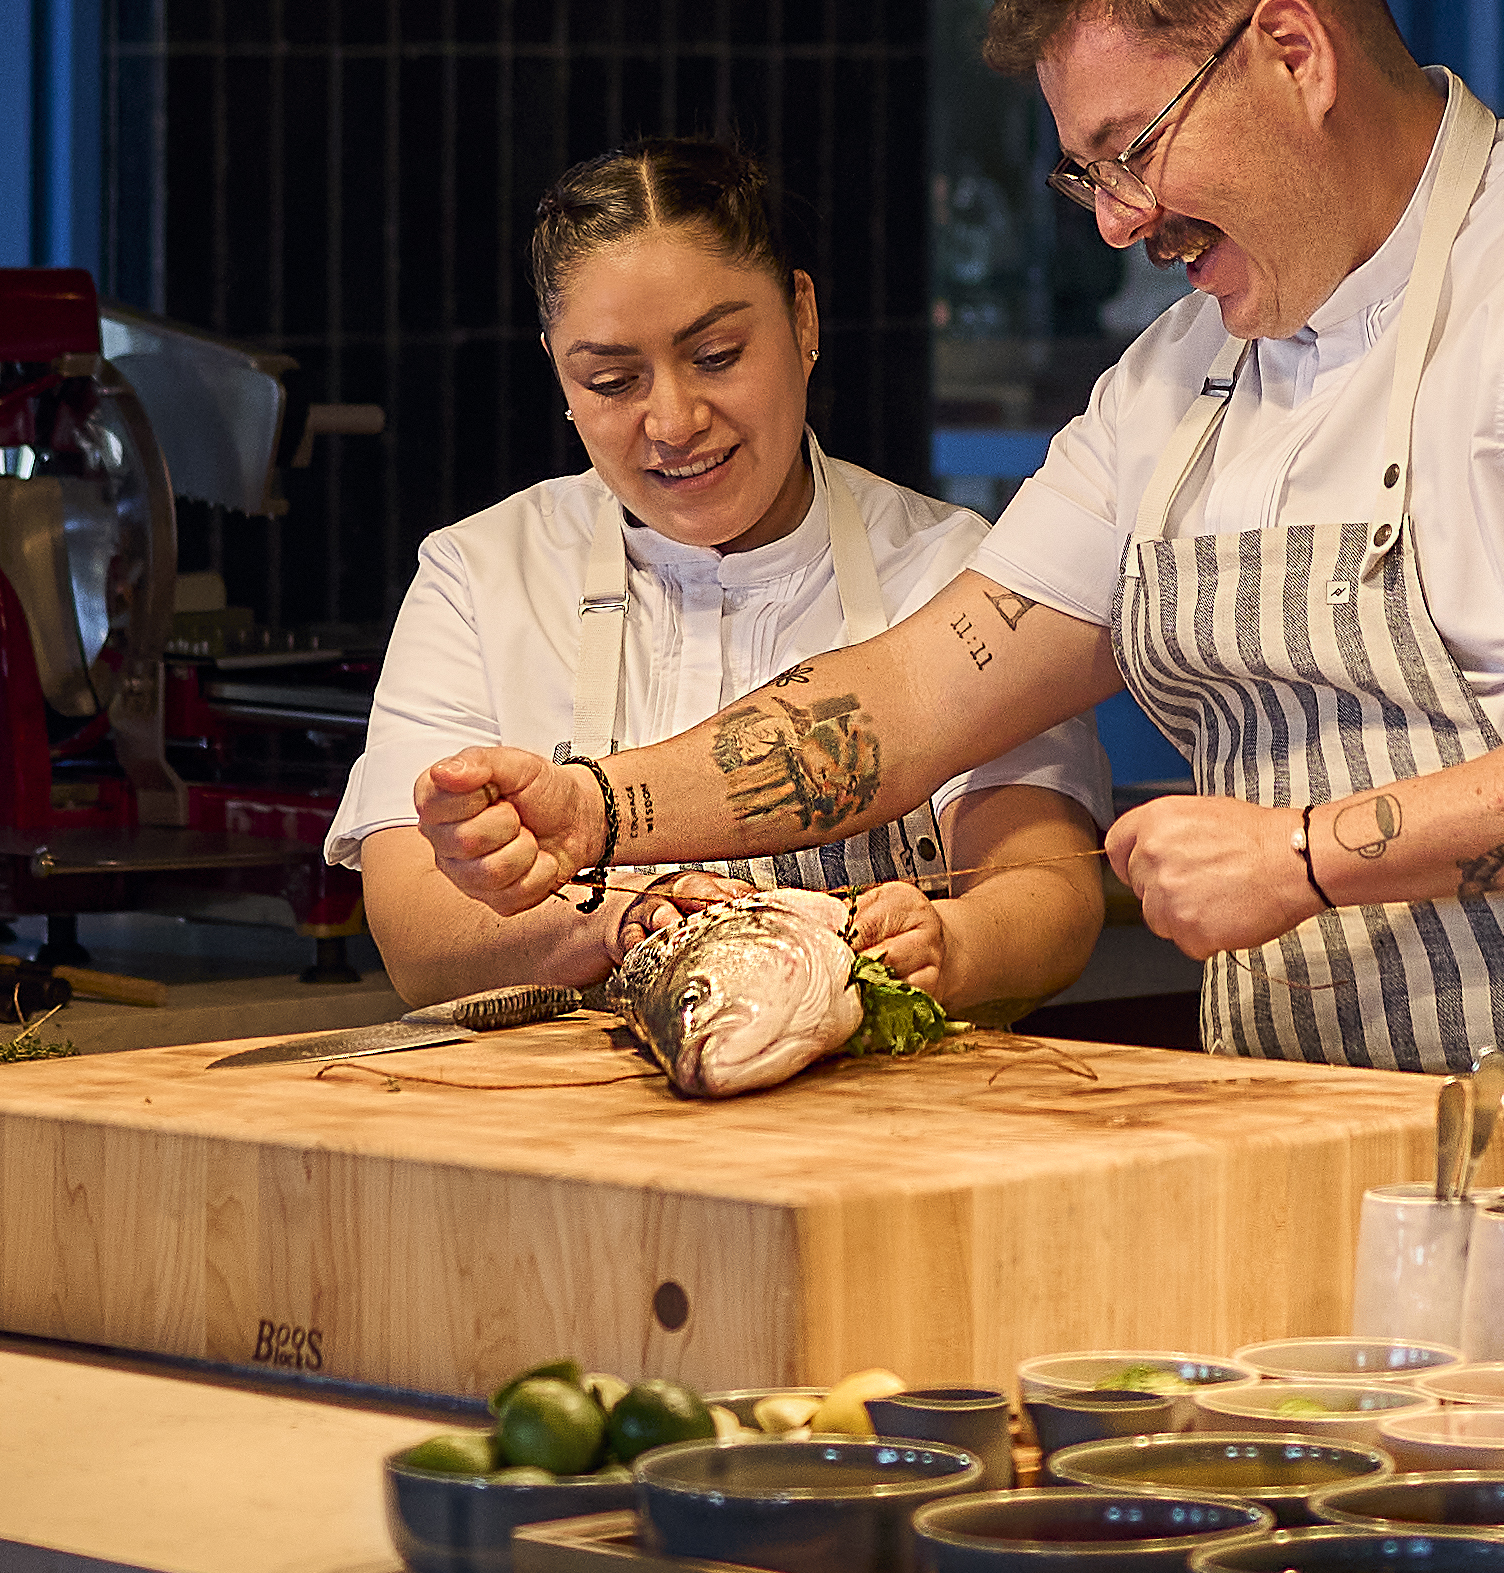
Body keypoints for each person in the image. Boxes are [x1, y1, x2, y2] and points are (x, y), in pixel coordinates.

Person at [421, 0, 1504, 1150]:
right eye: (1085, 172)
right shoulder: (1180, 380)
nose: (1116, 217)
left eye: (1133, 148)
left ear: (1290, 52)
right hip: (1304, 1146)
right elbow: (921, 695)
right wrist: (600, 809)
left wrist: (1307, 857)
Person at [334, 135, 1107, 1021]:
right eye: (613, 379)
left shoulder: (957, 567)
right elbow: (413, 929)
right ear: (559, 370)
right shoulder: (480, 575)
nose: (674, 421)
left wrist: (960, 945)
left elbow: (1048, 886)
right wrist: (624, 929)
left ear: (803, 319)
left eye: (717, 357)